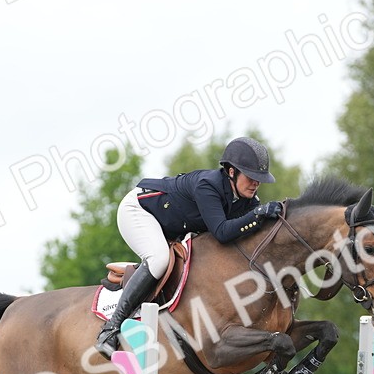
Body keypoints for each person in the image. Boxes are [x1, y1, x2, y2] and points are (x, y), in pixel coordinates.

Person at [94, 136, 279, 358]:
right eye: (251, 177)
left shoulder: (248, 200)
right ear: (231, 172)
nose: (256, 183)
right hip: (138, 211)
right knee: (159, 259)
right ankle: (110, 329)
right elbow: (221, 232)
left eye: (259, 178)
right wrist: (259, 215)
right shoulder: (208, 186)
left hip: (169, 226)